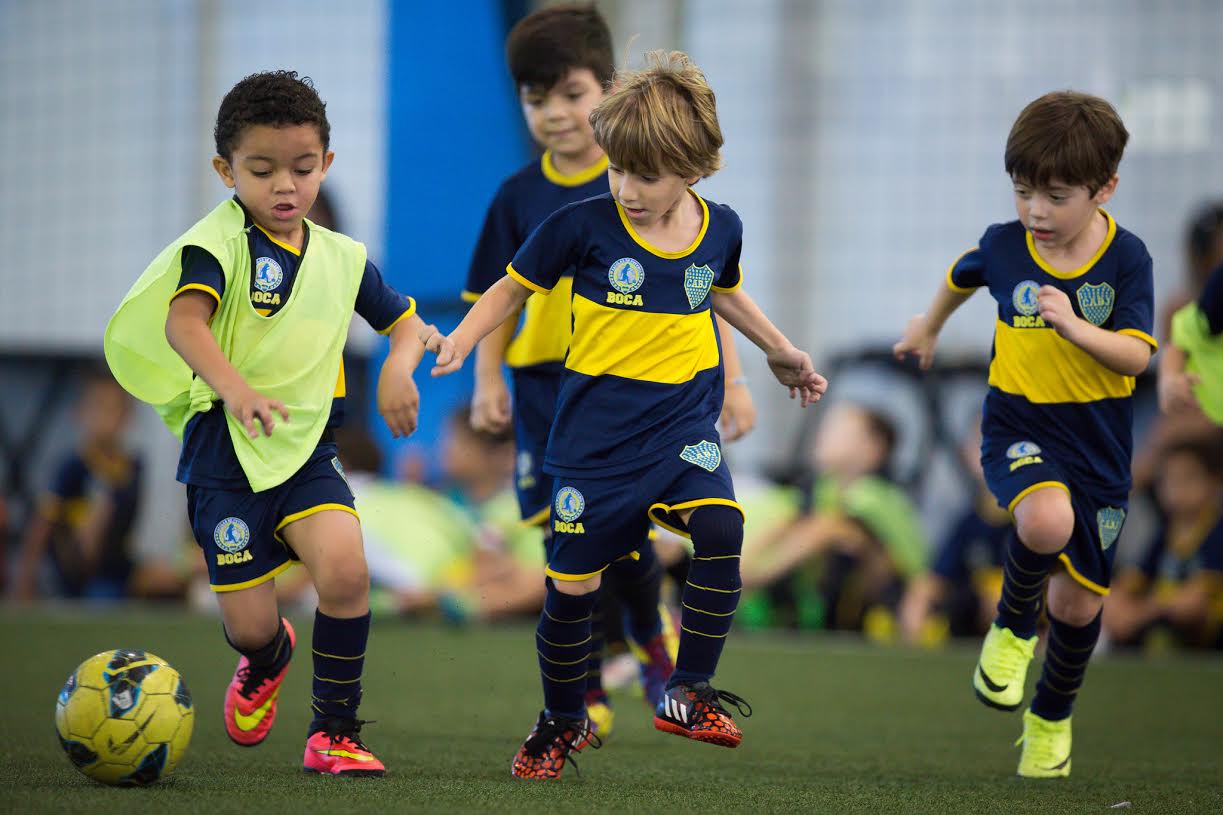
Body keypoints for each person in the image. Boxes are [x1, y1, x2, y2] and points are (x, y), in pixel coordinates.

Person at [425, 50, 826, 780]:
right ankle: (561, 719)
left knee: (721, 526)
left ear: (695, 168)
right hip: (591, 446)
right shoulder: (579, 226)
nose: (626, 189)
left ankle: (686, 688)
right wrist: (462, 339)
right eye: (616, 169)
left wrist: (778, 348)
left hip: (681, 427)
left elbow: (723, 292)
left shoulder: (720, 228)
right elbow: (509, 290)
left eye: (645, 175)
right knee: (570, 590)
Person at [104, 70, 431, 777]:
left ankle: (334, 731)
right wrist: (236, 388)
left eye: (303, 168)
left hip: (309, 449)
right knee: (250, 623)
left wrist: (399, 369)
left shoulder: (344, 260)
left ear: (327, 165)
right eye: (261, 169)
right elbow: (183, 321)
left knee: (345, 568)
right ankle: (267, 654)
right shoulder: (214, 246)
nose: (285, 185)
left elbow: (405, 324)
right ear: (226, 170)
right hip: (226, 452)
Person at [461, 5, 753, 737]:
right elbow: (491, 296)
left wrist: (740, 378)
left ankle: (651, 641)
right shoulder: (519, 197)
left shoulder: (657, 182)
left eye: (570, 95)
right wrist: (485, 378)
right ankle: (584, 689)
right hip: (547, 386)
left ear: (608, 93)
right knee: (567, 544)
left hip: (642, 396)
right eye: (535, 99)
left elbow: (708, 293)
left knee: (632, 537)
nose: (555, 114)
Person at [894, 91, 1156, 778]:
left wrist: (1074, 326)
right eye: (1021, 192)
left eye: (1055, 196)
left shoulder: (1126, 260)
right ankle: (1009, 632)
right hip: (1018, 421)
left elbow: (1136, 355)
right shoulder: (1007, 246)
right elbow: (963, 273)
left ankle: (1048, 719)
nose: (1035, 212)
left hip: (1097, 441)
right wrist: (928, 324)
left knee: (1077, 604)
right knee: (1043, 519)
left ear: (1104, 189)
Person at [740, 402, 926, 637]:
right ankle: (738, 574)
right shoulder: (823, 487)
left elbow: (913, 570)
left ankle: (742, 579)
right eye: (827, 429)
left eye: (840, 432)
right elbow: (793, 519)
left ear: (873, 449)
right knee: (788, 519)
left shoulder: (876, 495)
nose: (824, 436)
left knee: (829, 527)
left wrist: (916, 606)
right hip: (828, 588)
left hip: (881, 596)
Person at [12, 369, 142, 602]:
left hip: (116, 568)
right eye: (97, 408)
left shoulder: (133, 467)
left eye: (113, 410)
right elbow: (43, 525)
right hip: (76, 572)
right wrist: (25, 580)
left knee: (164, 578)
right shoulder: (72, 466)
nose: (104, 418)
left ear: (127, 417)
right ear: (80, 414)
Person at [1104, 439, 1223, 650]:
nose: (1177, 490)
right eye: (1168, 481)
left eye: (1188, 479)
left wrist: (1141, 613)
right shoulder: (1166, 530)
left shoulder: (1216, 531)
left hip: (1205, 629)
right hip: (1160, 614)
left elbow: (1196, 599)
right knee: (1108, 597)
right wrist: (1116, 602)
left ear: (1214, 482)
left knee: (1186, 608)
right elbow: (1134, 577)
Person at [899, 424, 1011, 645]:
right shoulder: (968, 522)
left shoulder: (1034, 523)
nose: (987, 450)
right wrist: (919, 600)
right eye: (978, 441)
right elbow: (936, 577)